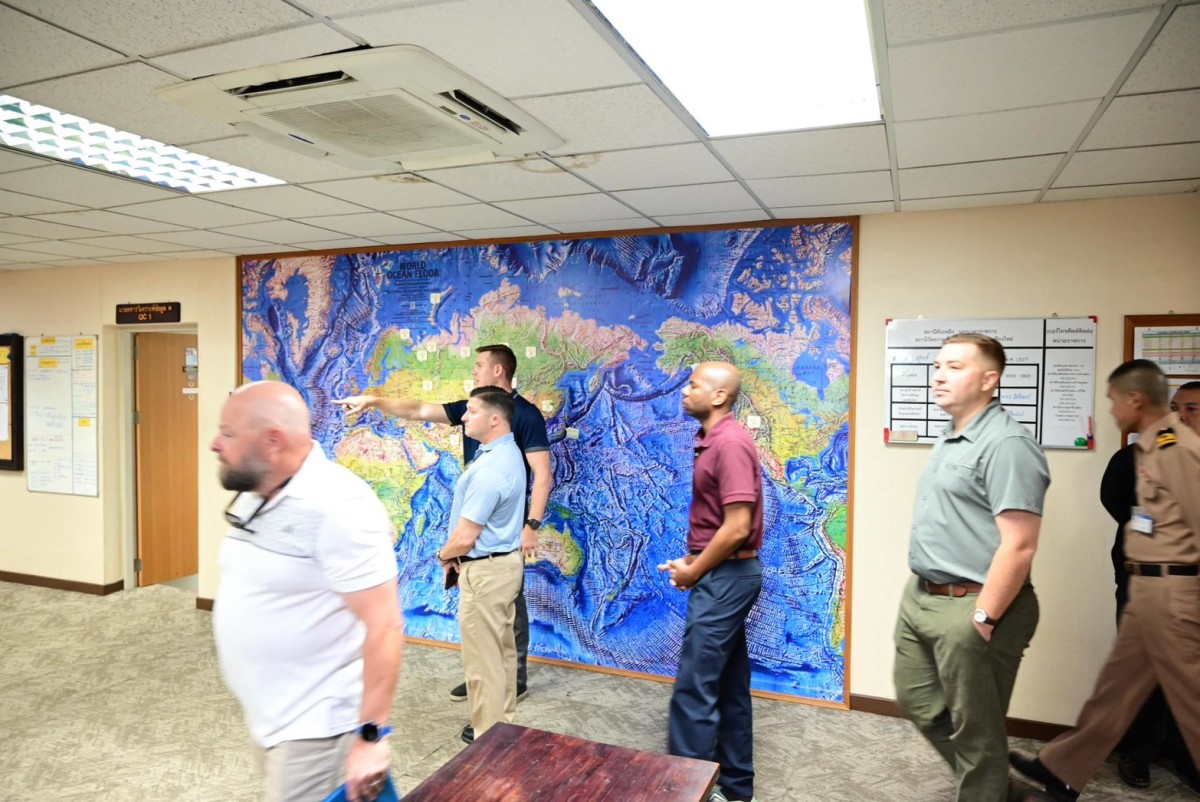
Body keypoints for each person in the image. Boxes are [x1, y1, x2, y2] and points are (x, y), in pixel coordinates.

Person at [1010, 360, 1200, 800]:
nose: (1111, 410)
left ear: (1135, 399)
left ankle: (1063, 767)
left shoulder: (1179, 451)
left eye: (1114, 400)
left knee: (1190, 699)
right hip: (1145, 588)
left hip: (1174, 592)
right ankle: (1062, 769)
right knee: (1117, 689)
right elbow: (1130, 508)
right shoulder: (1153, 448)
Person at [211, 381, 403, 802]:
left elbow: (385, 624)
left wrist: (371, 736)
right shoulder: (259, 492)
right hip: (270, 717)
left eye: (227, 433)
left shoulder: (340, 506)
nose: (215, 444)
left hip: (316, 727)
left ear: (273, 441)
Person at [335, 344, 550, 703]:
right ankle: (481, 675)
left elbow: (542, 474)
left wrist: (532, 525)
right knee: (478, 605)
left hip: (503, 523)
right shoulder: (473, 409)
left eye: (479, 365)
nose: (474, 371)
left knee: (509, 604)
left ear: (498, 370)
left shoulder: (525, 415)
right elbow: (418, 410)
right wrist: (372, 401)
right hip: (474, 516)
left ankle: (514, 680)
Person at [892, 333, 1050, 802]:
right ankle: (997, 786)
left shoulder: (1007, 444)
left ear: (988, 380)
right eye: (938, 365)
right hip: (923, 596)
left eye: (955, 367)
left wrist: (983, 617)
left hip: (974, 603)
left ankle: (988, 787)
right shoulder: (951, 433)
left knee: (976, 731)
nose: (939, 375)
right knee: (919, 701)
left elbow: (1020, 545)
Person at [659, 361, 764, 802]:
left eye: (694, 385)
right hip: (724, 572)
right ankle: (736, 789)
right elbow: (720, 524)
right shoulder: (712, 440)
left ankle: (685, 792)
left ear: (719, 396)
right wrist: (693, 560)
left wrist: (696, 570)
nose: (685, 391)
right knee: (728, 687)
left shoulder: (730, 443)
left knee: (694, 690)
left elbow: (738, 527)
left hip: (727, 579)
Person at [435, 387, 526, 744]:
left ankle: (488, 742)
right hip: (504, 567)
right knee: (501, 656)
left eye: (471, 411)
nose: (464, 417)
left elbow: (464, 538)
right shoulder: (508, 453)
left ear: (495, 419)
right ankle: (503, 729)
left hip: (486, 573)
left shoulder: (489, 470)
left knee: (482, 665)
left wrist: (444, 555)